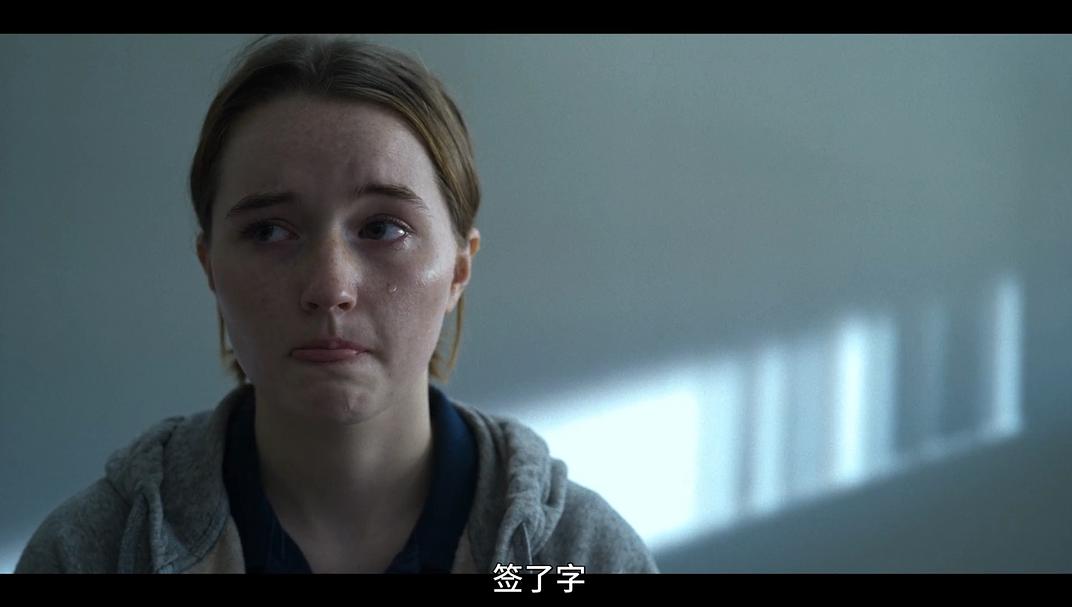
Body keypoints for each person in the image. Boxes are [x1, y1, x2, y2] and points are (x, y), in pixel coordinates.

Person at [15, 34, 658, 574]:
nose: (329, 287)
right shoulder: (93, 554)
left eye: (382, 228)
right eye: (269, 231)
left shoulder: (579, 560)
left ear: (460, 267)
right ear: (210, 266)